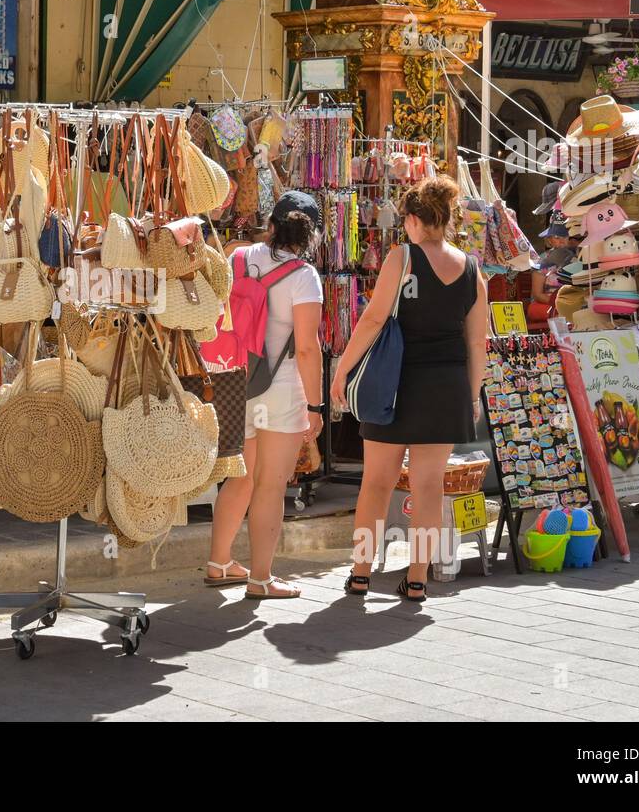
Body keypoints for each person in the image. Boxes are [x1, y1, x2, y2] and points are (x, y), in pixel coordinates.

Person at [331, 176, 488, 602]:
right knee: (429, 487)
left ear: (415, 220)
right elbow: (477, 343)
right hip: (446, 386)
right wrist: (472, 396)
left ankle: (361, 572)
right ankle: (417, 578)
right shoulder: (473, 270)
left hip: (394, 384)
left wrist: (342, 370)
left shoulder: (401, 258)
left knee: (376, 484)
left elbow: (373, 320)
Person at [205, 190, 324, 600]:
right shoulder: (304, 277)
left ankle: (219, 562)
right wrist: (315, 405)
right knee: (270, 486)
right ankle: (260, 579)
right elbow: (307, 348)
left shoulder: (236, 255)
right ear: (308, 237)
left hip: (233, 381)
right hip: (279, 386)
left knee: (238, 477)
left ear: (271, 225)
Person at [528, 215, 578, 325]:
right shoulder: (541, 261)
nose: (561, 241)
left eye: (565, 236)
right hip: (547, 304)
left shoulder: (576, 258)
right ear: (549, 239)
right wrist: (559, 304)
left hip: (571, 303)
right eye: (556, 237)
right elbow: (537, 294)